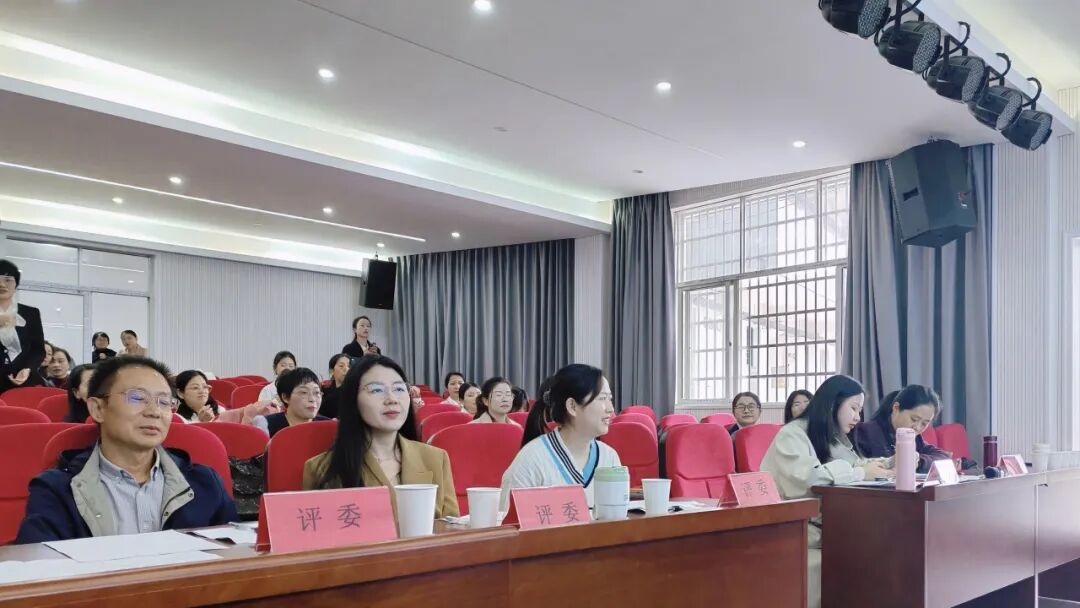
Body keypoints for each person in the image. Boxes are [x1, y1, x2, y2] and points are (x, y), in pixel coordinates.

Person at [16, 355, 237, 543]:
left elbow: (235, 559)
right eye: (138, 398)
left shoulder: (204, 483)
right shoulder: (57, 490)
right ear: (98, 408)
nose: (154, 412)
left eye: (164, 402)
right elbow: (39, 571)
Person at [760, 375, 891, 608]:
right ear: (832, 404)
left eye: (859, 411)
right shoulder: (792, 434)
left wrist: (889, 463)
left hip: (828, 528)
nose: (857, 417)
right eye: (853, 408)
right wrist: (860, 473)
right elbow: (808, 478)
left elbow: (856, 464)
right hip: (795, 531)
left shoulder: (831, 437)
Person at [303, 355, 459, 518]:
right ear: (353, 399)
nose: (392, 399)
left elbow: (453, 528)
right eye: (376, 390)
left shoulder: (435, 459)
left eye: (399, 389)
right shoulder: (320, 469)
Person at [500, 364, 621, 511]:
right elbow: (509, 521)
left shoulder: (609, 457)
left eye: (610, 399)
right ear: (572, 406)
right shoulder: (530, 460)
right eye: (602, 399)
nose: (610, 409)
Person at [852, 385, 951, 473]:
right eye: (914, 419)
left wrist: (919, 462)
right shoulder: (866, 432)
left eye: (924, 423)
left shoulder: (915, 438)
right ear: (896, 408)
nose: (917, 427)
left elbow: (943, 457)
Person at [0, 259, 46, 394]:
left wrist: (28, 368)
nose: (2, 284)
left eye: (8, 280)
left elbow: (38, 350)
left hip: (25, 381)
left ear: (16, 284)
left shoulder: (30, 313)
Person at [253, 367, 330, 438]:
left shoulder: (328, 426)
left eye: (316, 392)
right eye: (304, 392)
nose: (312, 399)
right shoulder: (266, 426)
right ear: (285, 397)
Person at [320, 354, 350, 419]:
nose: (347, 369)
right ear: (331, 371)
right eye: (341, 366)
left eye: (349, 366)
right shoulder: (324, 390)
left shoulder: (354, 391)